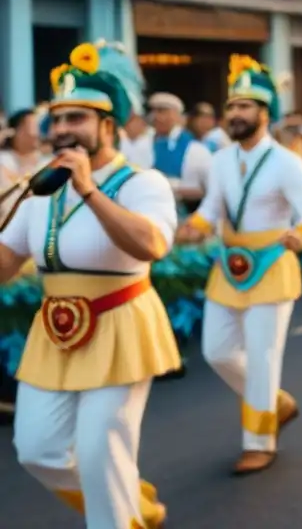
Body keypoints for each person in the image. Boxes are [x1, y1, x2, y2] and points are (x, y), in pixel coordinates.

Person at [0, 40, 179, 528]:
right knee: (37, 451)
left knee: (102, 455)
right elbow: (8, 260)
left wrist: (89, 189)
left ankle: (117, 508)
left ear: (108, 125)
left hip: (120, 326)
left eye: (76, 118)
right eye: (56, 120)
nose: (61, 130)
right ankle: (129, 501)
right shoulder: (39, 190)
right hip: (53, 331)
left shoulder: (143, 183)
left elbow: (152, 245)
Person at [176, 56, 302, 475]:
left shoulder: (286, 161)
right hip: (229, 262)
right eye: (232, 106)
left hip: (273, 262)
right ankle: (276, 403)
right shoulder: (220, 161)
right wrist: (197, 225)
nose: (234, 114)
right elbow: (211, 206)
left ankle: (260, 441)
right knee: (217, 351)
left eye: (245, 106)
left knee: (262, 357)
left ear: (265, 113)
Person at [145, 93, 212, 210]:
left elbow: (210, 189)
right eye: (154, 112)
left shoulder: (195, 149)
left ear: (176, 115)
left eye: (162, 111)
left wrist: (173, 189)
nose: (155, 117)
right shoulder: (146, 144)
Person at [0, 108, 48, 217]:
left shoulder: (47, 163)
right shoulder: (3, 160)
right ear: (15, 131)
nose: (36, 133)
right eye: (30, 127)